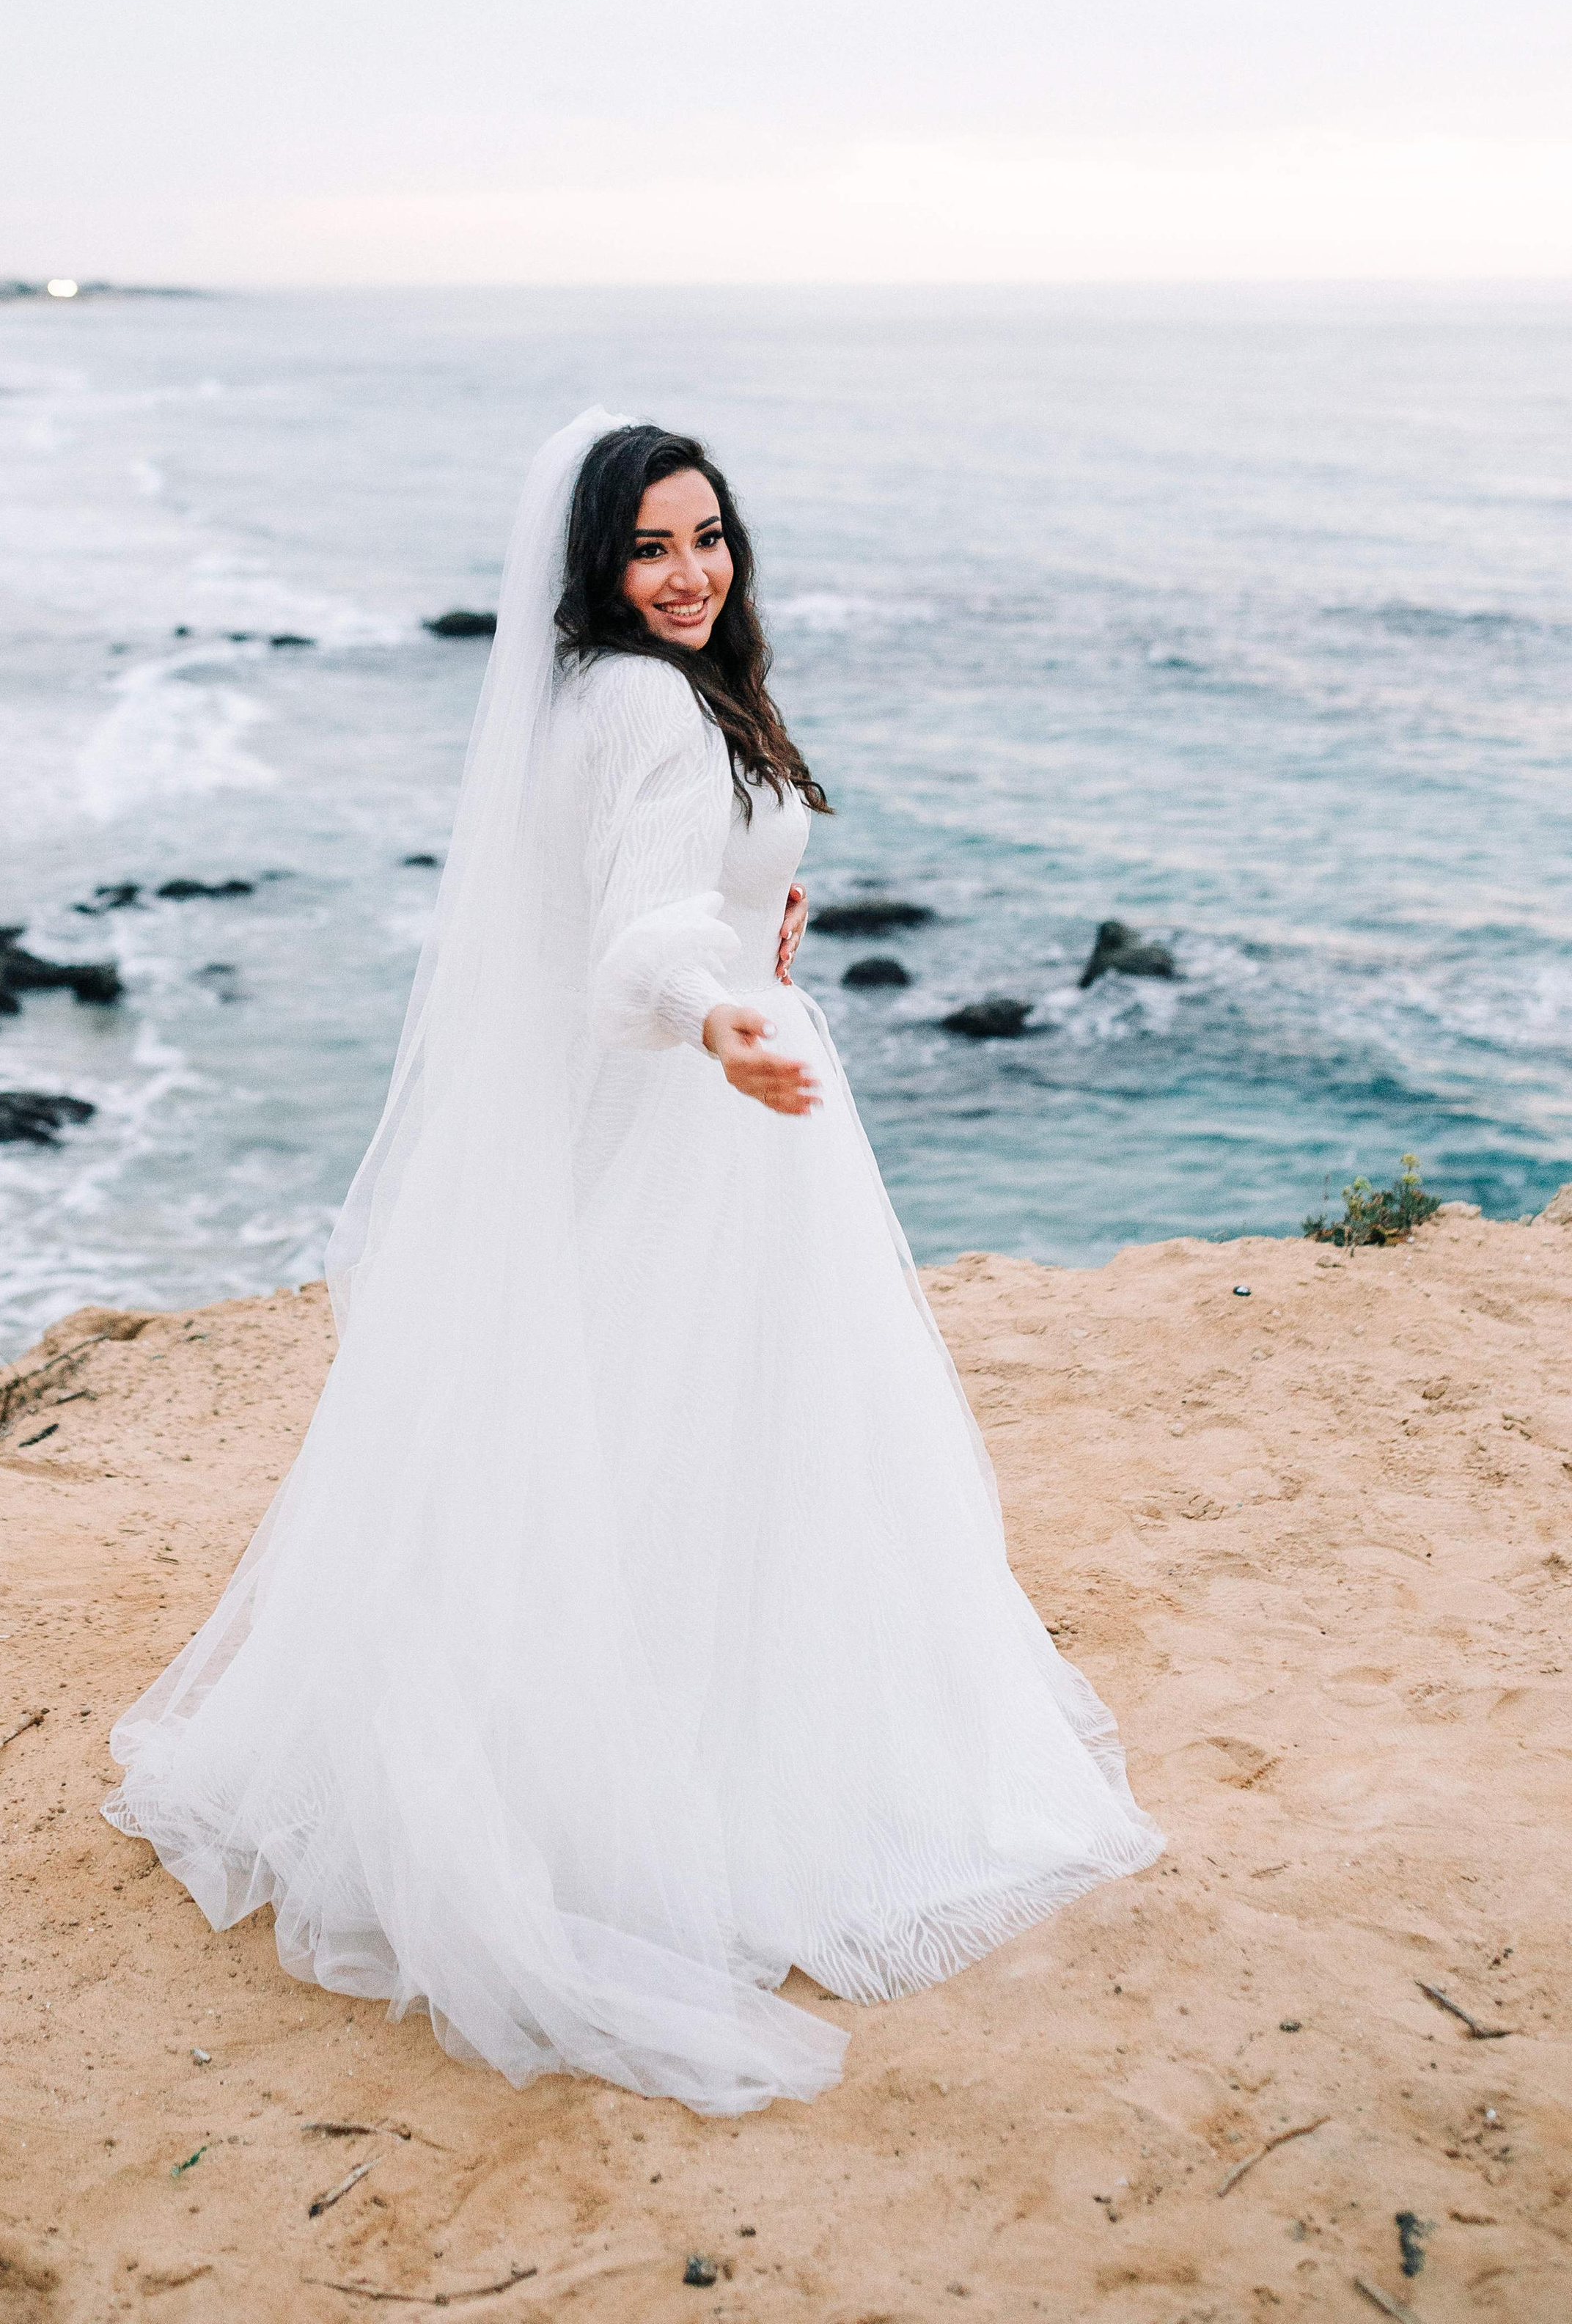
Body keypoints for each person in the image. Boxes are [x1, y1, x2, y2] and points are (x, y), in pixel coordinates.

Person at [104, 409, 1161, 2116]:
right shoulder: (655, 707)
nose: (686, 575)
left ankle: (562, 1748)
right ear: (595, 566)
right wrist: (718, 1007)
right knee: (720, 1442)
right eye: (649, 549)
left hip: (663, 1107)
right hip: (698, 1114)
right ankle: (677, 1794)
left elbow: (637, 884)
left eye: (706, 539)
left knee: (611, 1436)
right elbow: (633, 942)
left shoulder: (596, 695)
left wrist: (755, 931)